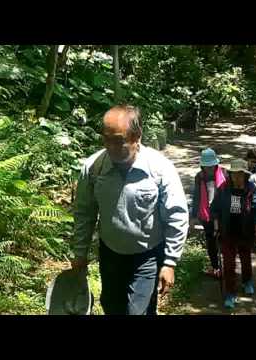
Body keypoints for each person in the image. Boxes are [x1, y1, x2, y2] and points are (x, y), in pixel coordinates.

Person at [71, 105, 189, 315]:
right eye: (106, 139)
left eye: (118, 140)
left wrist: (169, 262)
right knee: (111, 307)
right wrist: (80, 252)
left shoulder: (159, 169)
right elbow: (84, 213)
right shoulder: (94, 168)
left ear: (137, 137)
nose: (110, 146)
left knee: (138, 313)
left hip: (147, 257)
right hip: (110, 255)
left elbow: (176, 216)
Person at [211, 159, 256, 309]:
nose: (236, 177)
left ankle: (247, 280)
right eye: (233, 174)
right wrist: (216, 226)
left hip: (245, 232)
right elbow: (215, 209)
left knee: (245, 259)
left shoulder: (251, 190)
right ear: (230, 174)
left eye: (240, 174)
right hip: (227, 232)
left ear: (245, 175)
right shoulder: (223, 189)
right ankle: (230, 293)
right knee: (228, 265)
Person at [190, 148, 227, 278]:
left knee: (225, 239)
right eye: (206, 167)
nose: (209, 169)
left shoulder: (225, 175)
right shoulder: (199, 177)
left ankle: (227, 265)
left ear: (216, 165)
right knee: (210, 241)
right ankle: (215, 267)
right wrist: (193, 216)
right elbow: (196, 197)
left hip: (223, 214)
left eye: (211, 166)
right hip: (207, 214)